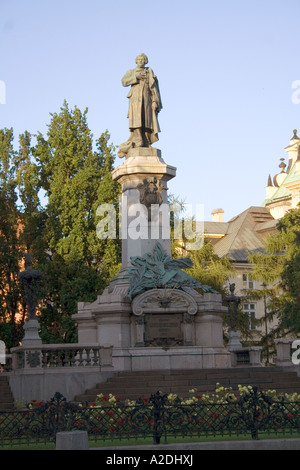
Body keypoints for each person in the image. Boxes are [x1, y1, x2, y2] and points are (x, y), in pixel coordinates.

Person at [119, 53, 162, 157]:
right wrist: (135, 77)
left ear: (146, 61)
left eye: (143, 59)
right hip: (135, 99)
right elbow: (123, 82)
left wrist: (155, 100)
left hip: (147, 98)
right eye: (139, 59)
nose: (141, 61)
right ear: (136, 61)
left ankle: (146, 140)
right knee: (137, 119)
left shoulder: (149, 72)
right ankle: (138, 138)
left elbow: (154, 88)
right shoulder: (131, 72)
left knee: (147, 119)